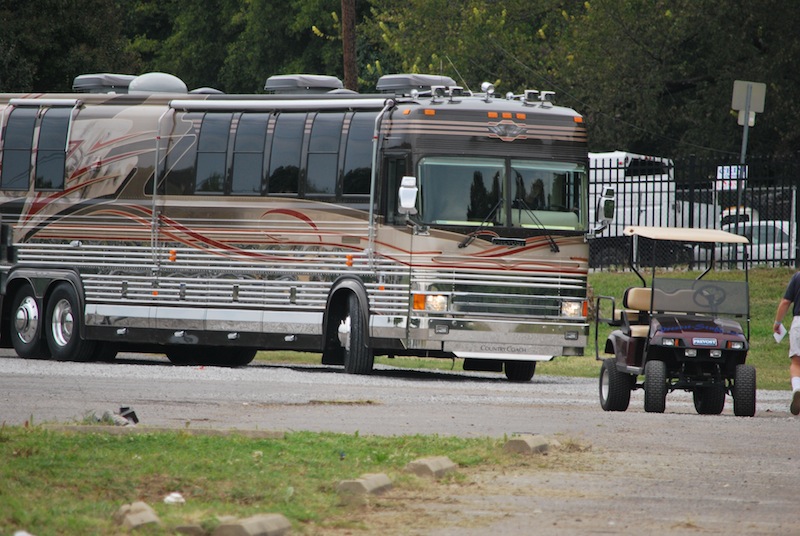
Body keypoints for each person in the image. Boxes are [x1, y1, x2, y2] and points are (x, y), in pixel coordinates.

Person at [774, 270, 800, 415]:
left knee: (796, 362)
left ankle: (797, 387)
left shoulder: (797, 277)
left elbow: (785, 302)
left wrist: (778, 322)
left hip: (799, 322)